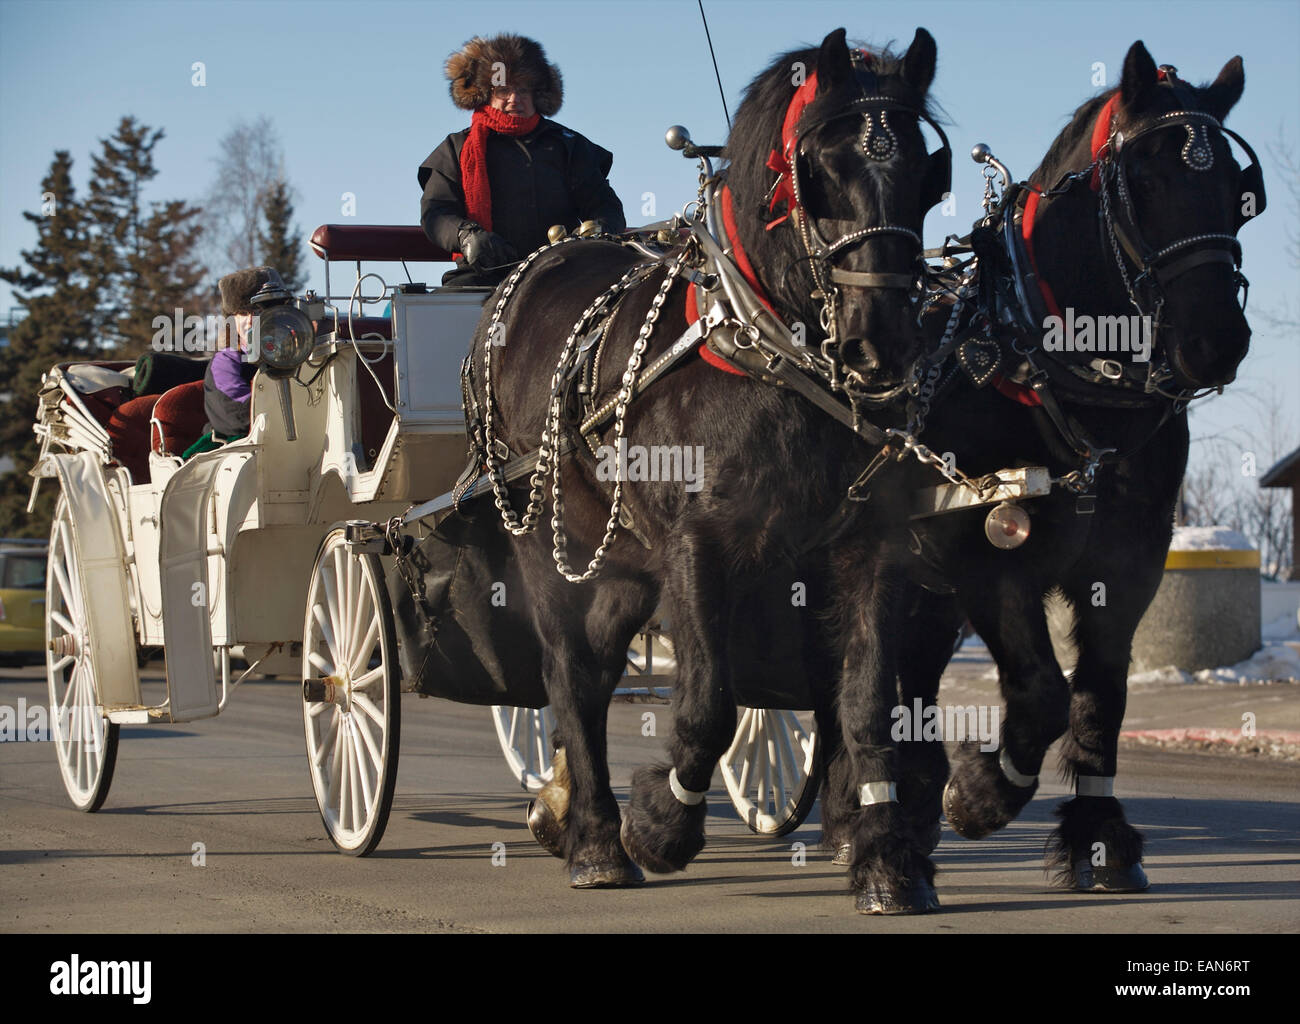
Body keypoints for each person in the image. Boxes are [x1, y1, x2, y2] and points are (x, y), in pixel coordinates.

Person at [418, 33, 626, 287]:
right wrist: (466, 236)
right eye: (504, 90)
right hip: (481, 277)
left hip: (560, 276)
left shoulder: (569, 146)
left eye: (523, 89)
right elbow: (436, 212)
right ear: (486, 94)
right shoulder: (457, 148)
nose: (514, 98)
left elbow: (605, 206)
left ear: (537, 93)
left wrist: (599, 231)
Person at [202, 266, 273, 443]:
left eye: (257, 312)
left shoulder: (295, 351)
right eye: (242, 313)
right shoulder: (226, 360)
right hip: (242, 449)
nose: (250, 321)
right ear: (232, 319)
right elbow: (238, 414)